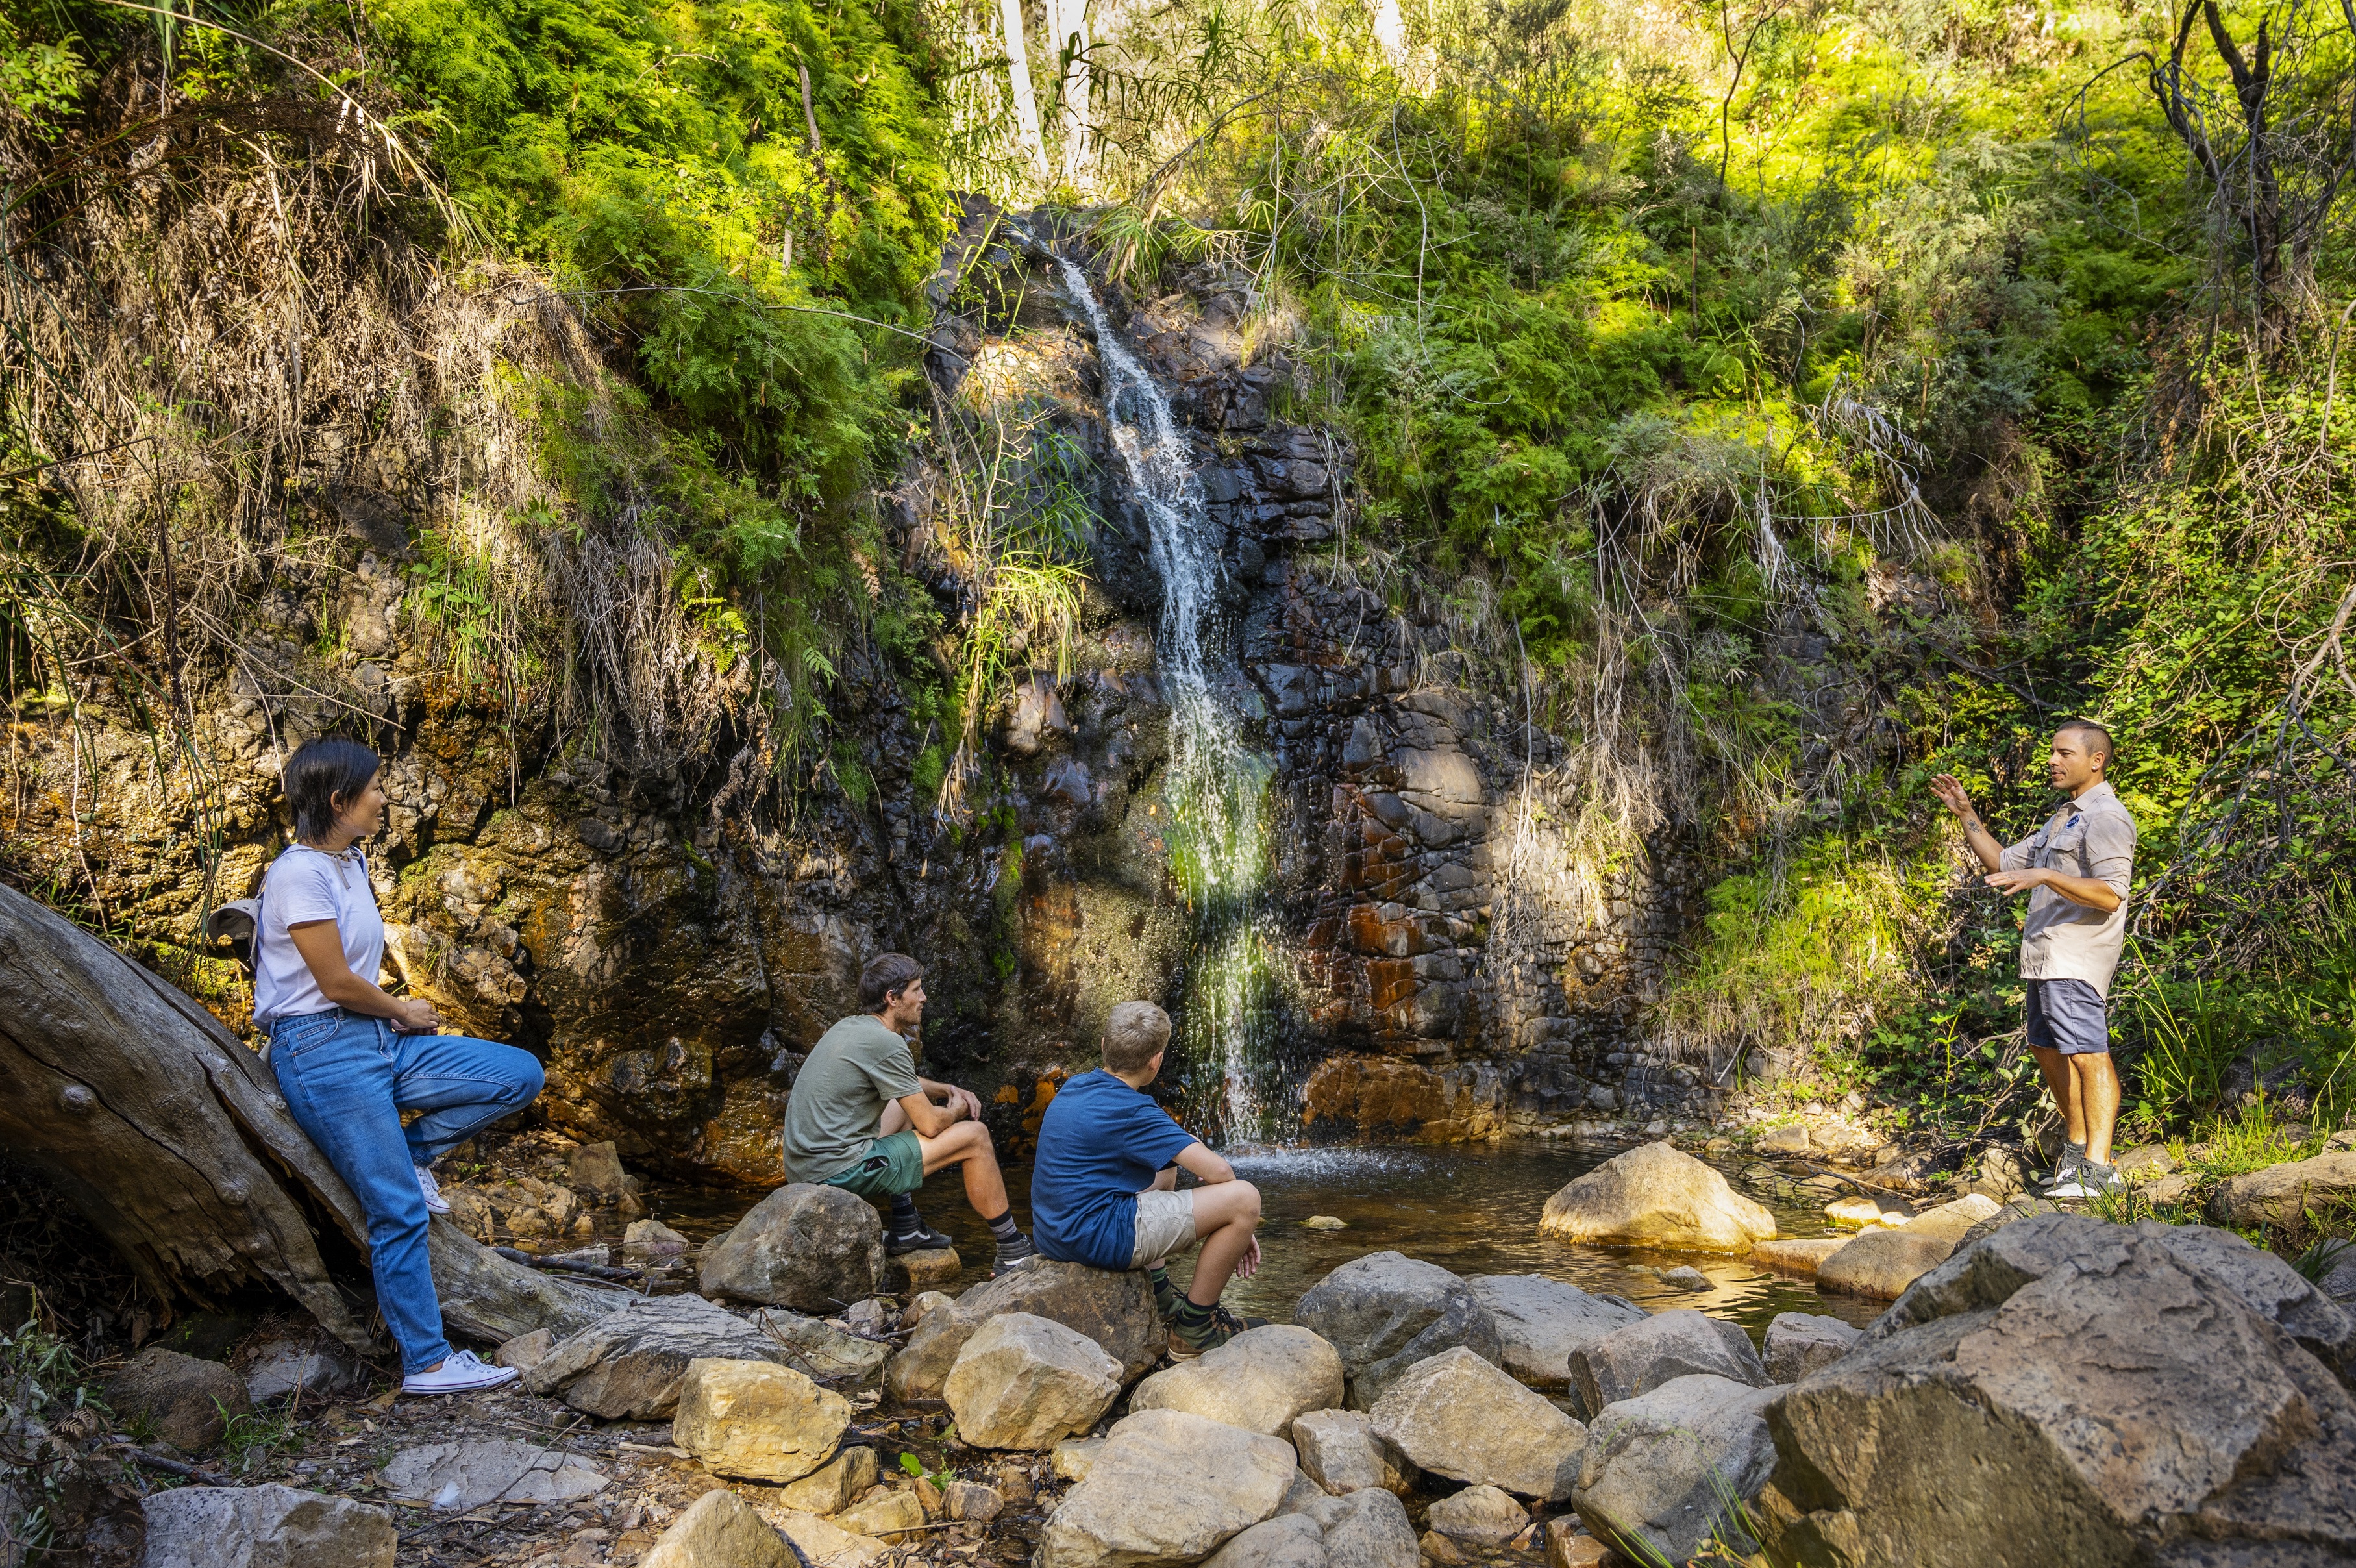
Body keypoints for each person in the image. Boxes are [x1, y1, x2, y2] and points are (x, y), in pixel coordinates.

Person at [254, 737, 547, 1395]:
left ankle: (410, 1153)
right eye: (375, 789)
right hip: (321, 1048)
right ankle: (429, 1362)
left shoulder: (350, 860)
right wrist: (400, 1008)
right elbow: (330, 981)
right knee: (397, 1211)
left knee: (518, 1075)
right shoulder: (298, 873)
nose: (385, 799)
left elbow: (351, 968)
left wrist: (386, 1013)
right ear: (338, 801)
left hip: (373, 1036)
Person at [1932, 721, 2137, 1199]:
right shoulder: (2063, 816)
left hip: (2076, 956)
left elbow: (2111, 894)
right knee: (2045, 1048)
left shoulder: (2105, 816)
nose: (2051, 759)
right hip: (2044, 958)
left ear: (2095, 760)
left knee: (2089, 1054)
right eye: (2051, 751)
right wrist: (1966, 814)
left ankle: (2099, 1170)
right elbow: (2004, 862)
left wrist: (2045, 873)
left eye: (2063, 752)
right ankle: (2078, 1150)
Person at [1029, 1001, 1263, 1360]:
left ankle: (1161, 1298)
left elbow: (1175, 1150)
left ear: (1105, 1044)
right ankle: (1195, 1330)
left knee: (1166, 1160)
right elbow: (1221, 1174)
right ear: (1156, 1061)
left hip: (1055, 1233)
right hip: (1097, 1239)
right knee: (1245, 1199)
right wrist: (1242, 1228)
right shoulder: (1136, 1110)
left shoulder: (1075, 1087)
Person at [781, 953, 1039, 1275]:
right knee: (976, 1137)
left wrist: (944, 1088)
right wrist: (955, 1109)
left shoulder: (851, 1028)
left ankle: (905, 1226)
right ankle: (1012, 1249)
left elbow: (904, 1084)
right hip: (836, 1172)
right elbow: (930, 1125)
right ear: (892, 998)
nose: (924, 998)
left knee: (897, 1104)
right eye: (916, 990)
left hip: (804, 1167)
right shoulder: (888, 1043)